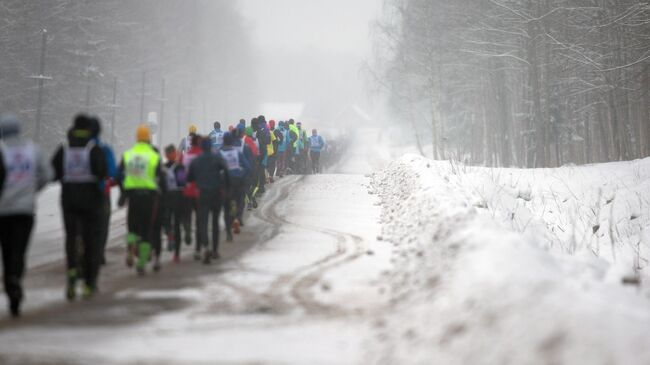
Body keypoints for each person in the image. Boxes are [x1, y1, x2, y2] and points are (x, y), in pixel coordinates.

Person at [0, 114, 52, 317]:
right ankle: (16, 279)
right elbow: (48, 174)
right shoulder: (33, 149)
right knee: (20, 250)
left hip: (3, 210)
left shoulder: (1, 149)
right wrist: (32, 190)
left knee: (6, 249)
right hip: (25, 210)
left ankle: (10, 284)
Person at [52, 114, 108, 299]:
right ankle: (89, 283)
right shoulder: (94, 148)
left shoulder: (64, 148)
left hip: (68, 200)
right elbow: (102, 172)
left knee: (71, 237)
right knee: (90, 240)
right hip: (91, 201)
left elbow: (54, 172)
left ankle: (71, 273)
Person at [118, 125, 165, 275]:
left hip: (132, 196)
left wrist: (123, 192)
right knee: (146, 230)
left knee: (131, 226)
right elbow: (160, 176)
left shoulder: (128, 154)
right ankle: (142, 263)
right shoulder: (154, 156)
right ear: (149, 138)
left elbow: (119, 175)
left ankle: (131, 247)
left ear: (137, 137)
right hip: (149, 197)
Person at [187, 137, 230, 264]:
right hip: (216, 193)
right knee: (215, 222)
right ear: (211, 146)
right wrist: (226, 186)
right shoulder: (217, 158)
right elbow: (226, 170)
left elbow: (189, 178)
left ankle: (205, 246)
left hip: (202, 194)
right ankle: (215, 250)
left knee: (203, 221)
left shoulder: (196, 161)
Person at [88, 117, 117, 265]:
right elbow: (112, 173)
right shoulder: (105, 149)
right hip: (101, 193)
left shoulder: (75, 148)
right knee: (102, 224)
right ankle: (99, 252)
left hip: (79, 194)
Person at [220, 132, 251, 240]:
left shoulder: (219, 153)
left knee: (227, 205)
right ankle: (237, 218)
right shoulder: (237, 153)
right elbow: (248, 167)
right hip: (238, 180)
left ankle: (228, 230)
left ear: (223, 141)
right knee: (239, 200)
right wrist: (241, 175)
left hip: (225, 182)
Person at [162, 144, 187, 263]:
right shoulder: (180, 167)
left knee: (167, 221)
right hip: (177, 197)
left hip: (167, 197)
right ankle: (176, 253)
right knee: (176, 224)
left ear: (166, 155)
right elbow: (182, 183)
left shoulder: (163, 167)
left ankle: (170, 236)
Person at [180, 134, 202, 260]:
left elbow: (180, 172)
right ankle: (198, 249)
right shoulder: (202, 155)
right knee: (200, 220)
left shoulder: (185, 156)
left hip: (187, 191)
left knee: (186, 215)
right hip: (200, 192)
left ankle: (187, 228)